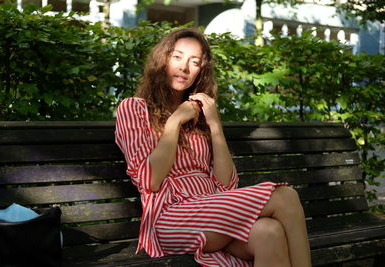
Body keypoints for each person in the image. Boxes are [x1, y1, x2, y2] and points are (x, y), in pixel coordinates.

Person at [115, 27, 312, 267]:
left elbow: (226, 185)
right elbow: (150, 181)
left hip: (211, 211)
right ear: (162, 59)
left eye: (194, 62)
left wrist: (215, 124)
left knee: (268, 232)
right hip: (172, 217)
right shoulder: (134, 108)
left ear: (201, 71)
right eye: (177, 57)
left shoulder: (200, 117)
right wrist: (175, 121)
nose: (184, 67)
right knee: (285, 196)